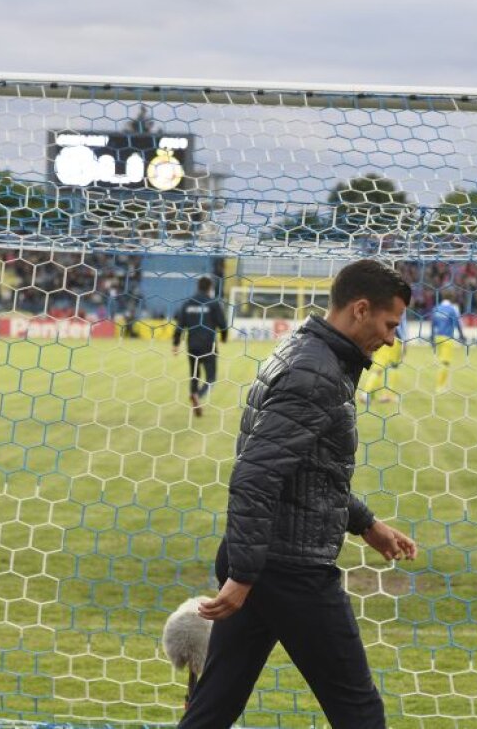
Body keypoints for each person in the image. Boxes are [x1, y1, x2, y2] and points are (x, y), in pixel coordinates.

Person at [179, 259, 418, 729]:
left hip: (264, 562)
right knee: (359, 712)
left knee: (213, 709)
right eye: (390, 325)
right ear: (361, 309)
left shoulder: (307, 353)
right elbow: (256, 475)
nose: (392, 339)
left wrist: (366, 524)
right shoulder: (315, 372)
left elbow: (310, 471)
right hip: (291, 569)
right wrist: (244, 575)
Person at [172, 275, 230, 417]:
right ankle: (198, 395)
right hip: (208, 345)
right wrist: (224, 337)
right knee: (211, 378)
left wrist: (175, 344)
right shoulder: (213, 303)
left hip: (192, 345)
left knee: (194, 375)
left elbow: (180, 325)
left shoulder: (188, 303)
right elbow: (223, 324)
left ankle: (194, 396)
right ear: (210, 288)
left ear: (198, 287)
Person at [360, 310, 408, 404]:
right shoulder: (400, 305)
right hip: (393, 339)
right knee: (393, 367)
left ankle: (367, 394)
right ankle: (386, 395)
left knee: (378, 368)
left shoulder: (380, 304)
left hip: (379, 338)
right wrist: (405, 341)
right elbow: (402, 325)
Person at [430, 293, 467, 393]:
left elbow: (432, 324)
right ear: (452, 299)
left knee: (442, 362)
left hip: (437, 337)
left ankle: (443, 385)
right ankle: (439, 387)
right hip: (447, 338)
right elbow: (457, 323)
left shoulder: (436, 308)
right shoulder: (451, 309)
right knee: (445, 363)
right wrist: (462, 336)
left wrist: (432, 337)